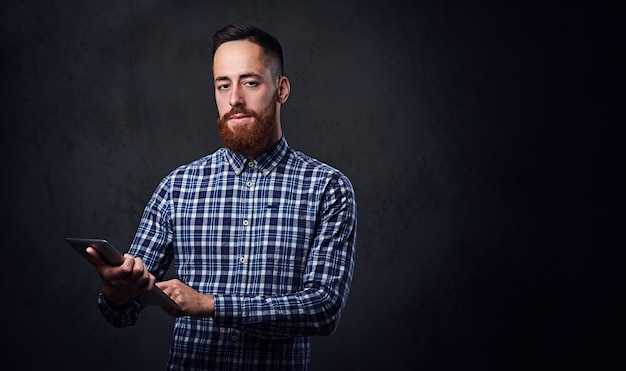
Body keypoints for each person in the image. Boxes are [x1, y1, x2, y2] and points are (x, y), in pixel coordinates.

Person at [86, 23, 357, 370]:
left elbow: (324, 309)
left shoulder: (327, 188)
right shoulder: (178, 186)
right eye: (223, 85)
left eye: (250, 82)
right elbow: (123, 312)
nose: (234, 100)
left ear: (281, 89)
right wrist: (117, 295)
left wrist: (212, 305)